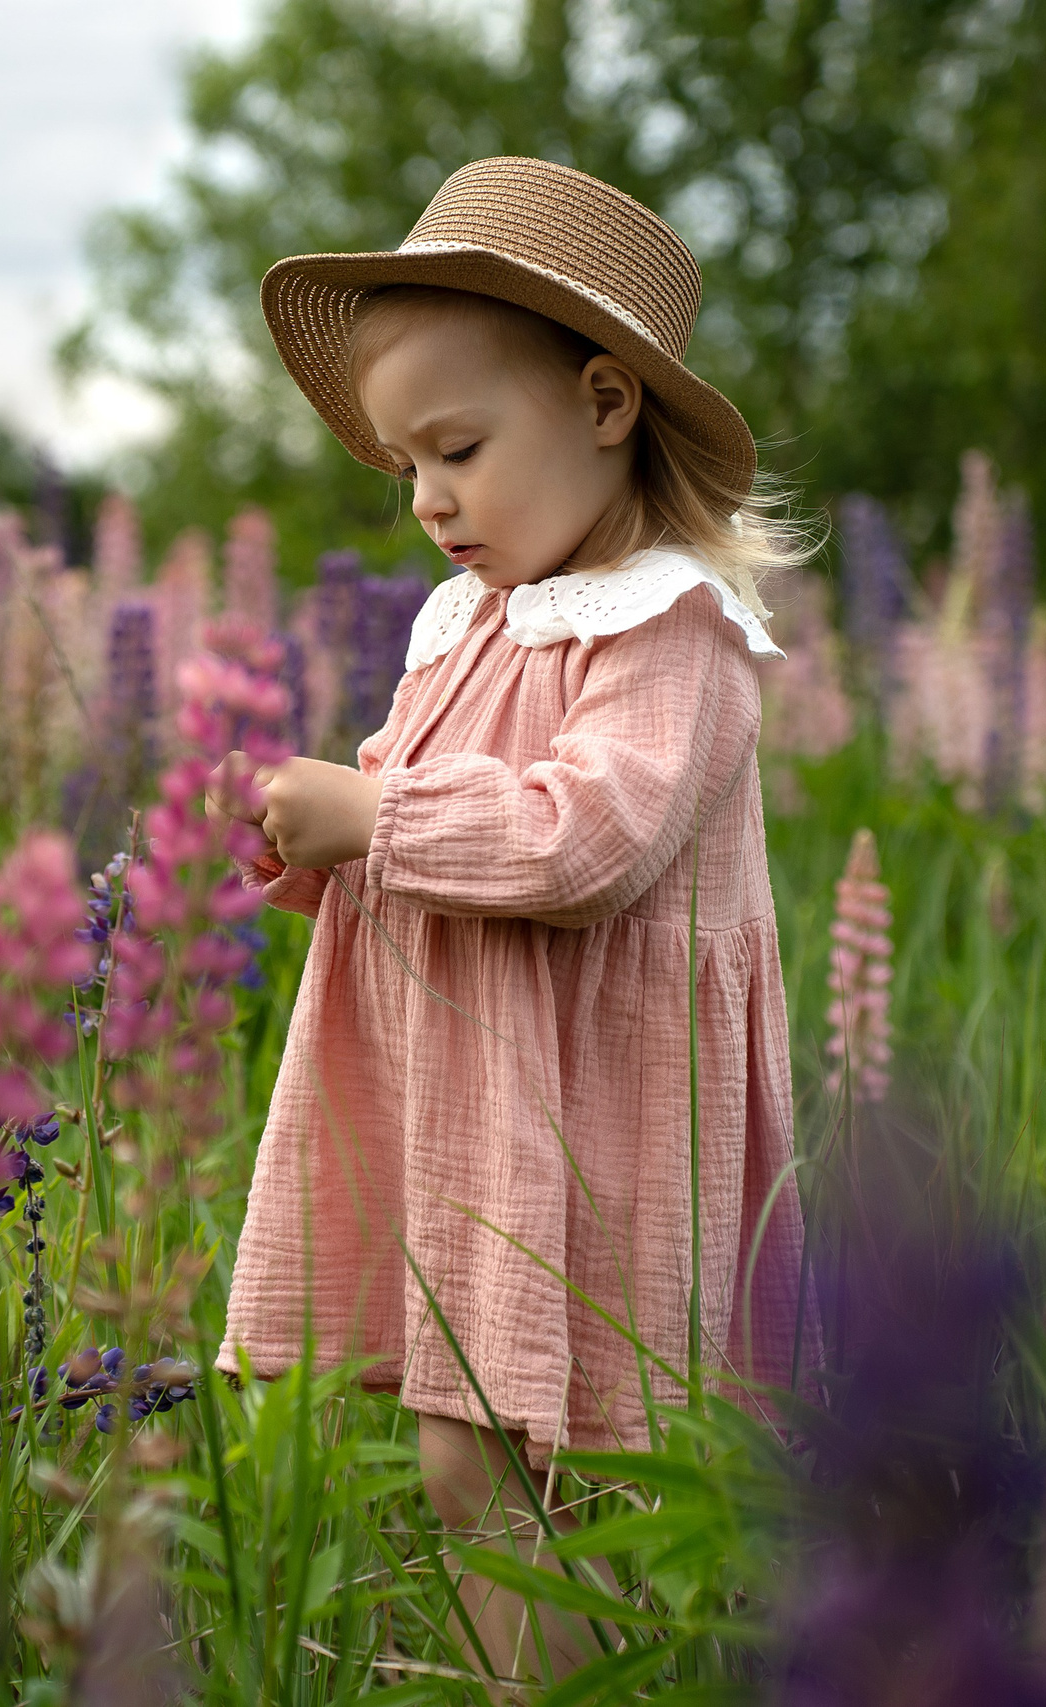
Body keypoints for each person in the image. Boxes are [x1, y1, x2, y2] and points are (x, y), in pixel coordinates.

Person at [206, 155, 819, 1687]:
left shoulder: (670, 631)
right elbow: (428, 810)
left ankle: (576, 1680)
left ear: (607, 404)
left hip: (603, 1123)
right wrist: (316, 832)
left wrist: (376, 819)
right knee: (474, 1454)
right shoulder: (472, 622)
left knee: (560, 1458)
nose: (427, 498)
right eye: (405, 464)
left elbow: (582, 839)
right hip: (479, 1109)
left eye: (460, 449)